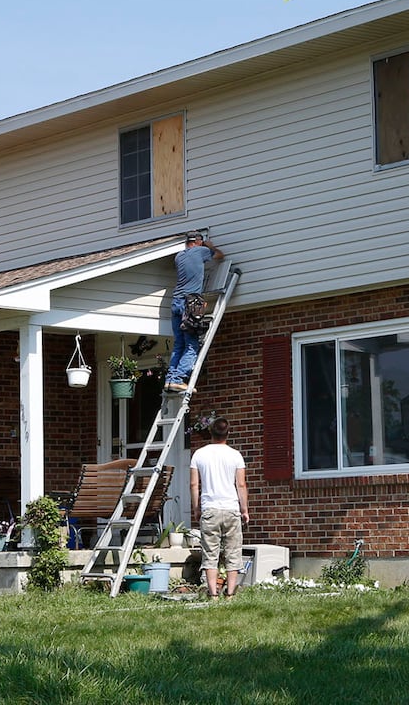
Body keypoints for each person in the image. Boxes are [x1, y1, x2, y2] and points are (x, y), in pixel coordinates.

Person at [189, 416, 249, 598]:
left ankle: (213, 594)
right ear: (228, 433)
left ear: (210, 432)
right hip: (231, 508)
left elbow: (194, 485)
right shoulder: (235, 455)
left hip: (210, 509)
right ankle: (230, 593)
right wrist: (244, 509)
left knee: (210, 553)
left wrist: (196, 508)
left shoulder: (199, 454)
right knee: (233, 552)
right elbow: (241, 485)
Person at [165, 231, 225, 392]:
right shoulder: (201, 251)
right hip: (189, 303)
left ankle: (170, 379)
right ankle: (178, 379)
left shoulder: (179, 256)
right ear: (198, 242)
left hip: (176, 302)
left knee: (179, 344)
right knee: (191, 345)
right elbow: (220, 256)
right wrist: (210, 246)